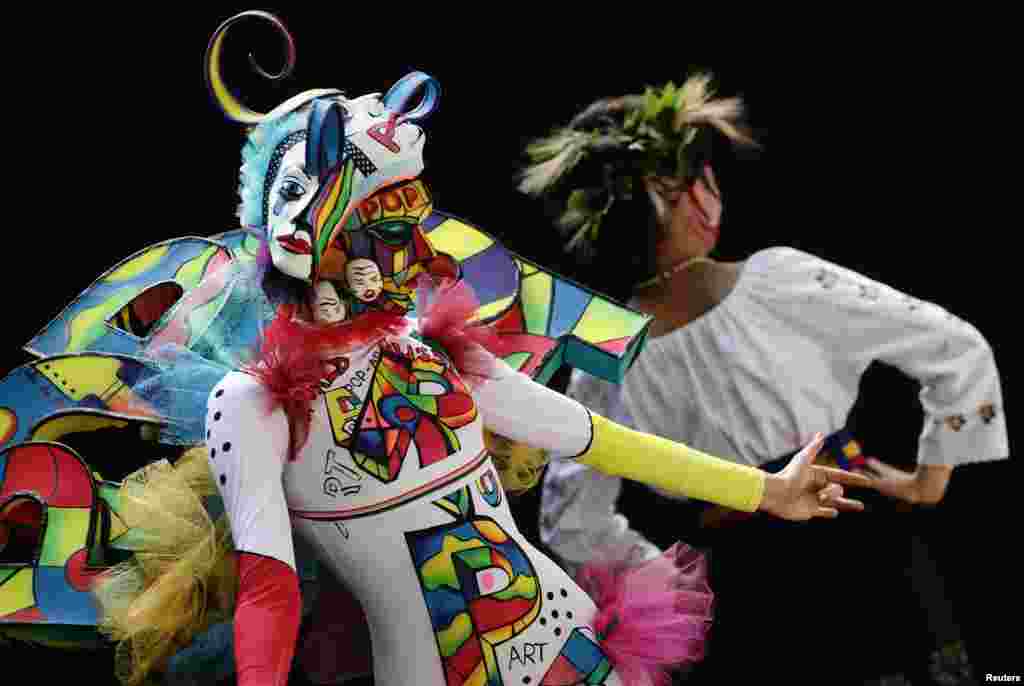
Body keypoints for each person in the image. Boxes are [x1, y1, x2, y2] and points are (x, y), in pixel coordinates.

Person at [90, 13, 870, 686]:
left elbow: (600, 439)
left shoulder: (439, 351)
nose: (425, 259)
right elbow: (269, 590)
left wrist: (764, 492)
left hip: (576, 647)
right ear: (308, 240)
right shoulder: (252, 404)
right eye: (394, 233)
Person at [523, 75, 1009, 684]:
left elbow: (570, 524)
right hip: (863, 553)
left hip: (743, 606)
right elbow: (955, 345)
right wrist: (927, 482)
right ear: (688, 195)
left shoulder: (604, 362)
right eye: (706, 178)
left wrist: (672, 584)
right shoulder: (781, 281)